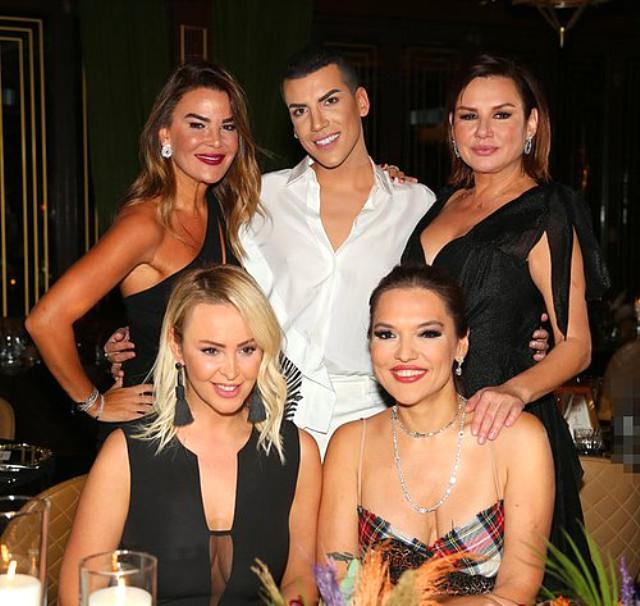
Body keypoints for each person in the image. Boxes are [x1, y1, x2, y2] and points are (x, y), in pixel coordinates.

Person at [106, 48, 549, 456]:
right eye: (300, 111)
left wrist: (524, 333)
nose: (317, 124)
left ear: (361, 102)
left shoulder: (417, 205)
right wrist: (139, 336)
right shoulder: (256, 197)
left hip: (376, 413)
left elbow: (455, 299)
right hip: (269, 410)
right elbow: (200, 277)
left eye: (330, 102)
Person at [401, 54, 610, 583]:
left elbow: (576, 344)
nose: (484, 131)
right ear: (451, 127)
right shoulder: (438, 203)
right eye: (469, 116)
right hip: (426, 428)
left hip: (504, 434)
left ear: (531, 124)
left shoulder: (546, 210)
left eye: (502, 114)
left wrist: (514, 391)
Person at [58, 265, 321, 606]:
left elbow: (301, 578)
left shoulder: (298, 452)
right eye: (211, 350)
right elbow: (76, 593)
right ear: (177, 346)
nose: (231, 371)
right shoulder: (125, 453)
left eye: (247, 349)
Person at [25, 61, 259, 440]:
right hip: (152, 429)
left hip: (207, 425)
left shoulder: (221, 206)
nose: (215, 141)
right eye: (197, 125)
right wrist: (95, 403)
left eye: (227, 126)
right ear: (165, 135)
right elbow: (46, 319)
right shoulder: (145, 224)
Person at [319, 264, 554, 602]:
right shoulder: (351, 445)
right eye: (386, 334)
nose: (404, 353)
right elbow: (339, 587)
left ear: (461, 344)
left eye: (427, 333)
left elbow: (517, 591)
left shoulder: (518, 440)